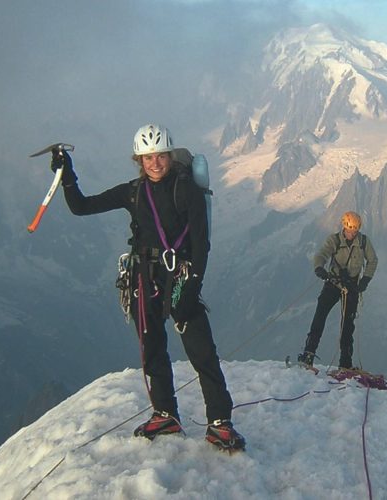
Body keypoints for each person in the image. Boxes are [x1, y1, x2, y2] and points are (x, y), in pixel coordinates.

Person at [54, 124, 245, 451]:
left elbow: (201, 244)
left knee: (202, 351)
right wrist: (67, 176)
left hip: (180, 276)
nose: (154, 163)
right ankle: (165, 413)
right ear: (138, 160)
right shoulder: (133, 192)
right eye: (147, 158)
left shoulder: (187, 190)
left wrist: (192, 285)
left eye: (159, 156)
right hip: (144, 276)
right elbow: (81, 206)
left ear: (169, 156)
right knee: (152, 347)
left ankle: (220, 421)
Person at [298, 211, 378, 370]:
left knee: (348, 326)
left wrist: (365, 280)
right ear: (344, 228)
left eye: (354, 231)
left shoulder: (363, 242)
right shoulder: (334, 240)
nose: (352, 234)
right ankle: (309, 354)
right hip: (333, 284)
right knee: (319, 317)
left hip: (352, 287)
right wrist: (319, 268)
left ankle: (345, 364)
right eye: (350, 231)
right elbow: (322, 254)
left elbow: (372, 260)